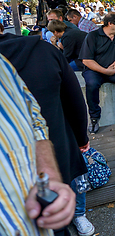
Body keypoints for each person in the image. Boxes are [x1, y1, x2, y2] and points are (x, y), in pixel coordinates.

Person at [0, 32, 92, 236]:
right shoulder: (45, 51)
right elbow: (75, 100)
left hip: (48, 157)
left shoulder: (5, 66)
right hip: (59, 144)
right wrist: (81, 138)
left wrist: (47, 171)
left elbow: (33, 114)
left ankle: (77, 215)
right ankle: (78, 215)